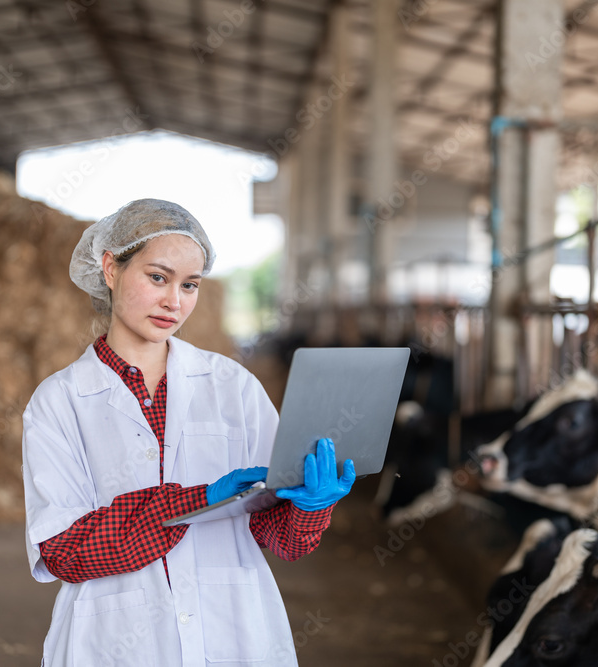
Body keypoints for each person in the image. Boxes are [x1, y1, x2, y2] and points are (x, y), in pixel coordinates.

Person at [21, 198, 355, 667]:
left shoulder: (233, 386)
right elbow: (65, 549)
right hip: (114, 642)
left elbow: (277, 537)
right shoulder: (60, 401)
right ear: (110, 268)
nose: (174, 302)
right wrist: (195, 502)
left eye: (190, 285)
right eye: (158, 277)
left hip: (235, 632)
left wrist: (309, 508)